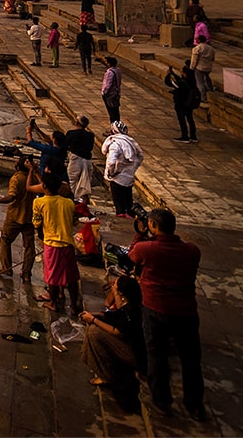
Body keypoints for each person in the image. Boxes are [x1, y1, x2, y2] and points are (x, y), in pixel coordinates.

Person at [128, 208, 205, 420]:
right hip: (186, 310)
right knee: (190, 359)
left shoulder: (147, 249)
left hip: (155, 309)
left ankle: (162, 401)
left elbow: (132, 255)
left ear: (153, 226)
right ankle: (195, 405)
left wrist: (139, 232)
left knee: (157, 354)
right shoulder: (192, 251)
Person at [79, 274, 146, 411]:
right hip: (132, 348)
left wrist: (93, 320)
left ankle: (105, 376)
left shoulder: (132, 310)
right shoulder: (130, 304)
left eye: (115, 285)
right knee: (94, 329)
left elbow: (118, 332)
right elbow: (118, 311)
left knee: (94, 332)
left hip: (134, 354)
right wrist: (100, 315)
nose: (113, 286)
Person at [32, 174, 83, 315]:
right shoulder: (69, 203)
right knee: (72, 277)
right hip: (67, 244)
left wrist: (41, 233)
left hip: (51, 244)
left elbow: (36, 223)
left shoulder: (39, 203)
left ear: (44, 186)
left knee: (52, 277)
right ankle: (73, 305)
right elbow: (74, 222)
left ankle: (53, 302)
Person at [0, 155, 36, 280]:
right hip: (29, 216)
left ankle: (6, 268)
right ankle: (26, 273)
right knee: (29, 246)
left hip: (15, 215)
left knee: (5, 240)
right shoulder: (33, 178)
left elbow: (12, 196)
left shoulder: (16, 179)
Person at [102, 121, 143, 218]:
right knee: (127, 198)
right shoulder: (131, 142)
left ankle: (121, 215)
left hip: (117, 176)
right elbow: (140, 157)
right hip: (128, 176)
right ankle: (129, 213)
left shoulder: (115, 145)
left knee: (118, 201)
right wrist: (132, 168)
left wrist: (111, 172)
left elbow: (111, 162)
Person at [64, 116, 97, 205]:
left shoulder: (71, 133)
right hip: (87, 160)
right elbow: (90, 147)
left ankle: (73, 200)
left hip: (75, 159)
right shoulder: (90, 135)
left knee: (72, 181)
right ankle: (81, 201)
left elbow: (65, 145)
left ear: (77, 123)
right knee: (85, 182)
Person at [164, 66, 200, 142]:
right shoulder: (192, 81)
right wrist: (173, 73)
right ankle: (193, 136)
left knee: (182, 120)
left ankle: (185, 136)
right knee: (190, 119)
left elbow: (169, 83)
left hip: (181, 103)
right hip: (189, 103)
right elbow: (179, 79)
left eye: (182, 72)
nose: (181, 73)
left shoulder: (181, 83)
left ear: (185, 74)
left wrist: (168, 75)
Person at [188, 34, 216, 102]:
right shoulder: (211, 49)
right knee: (207, 79)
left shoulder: (197, 48)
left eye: (197, 39)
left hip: (200, 67)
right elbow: (213, 58)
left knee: (200, 83)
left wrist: (191, 68)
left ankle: (203, 97)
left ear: (199, 40)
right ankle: (211, 90)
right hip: (208, 67)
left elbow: (194, 60)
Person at [100, 56, 122, 123]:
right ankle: (117, 125)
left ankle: (113, 127)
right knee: (116, 112)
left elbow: (108, 84)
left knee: (112, 113)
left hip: (110, 94)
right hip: (116, 93)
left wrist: (104, 92)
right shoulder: (118, 70)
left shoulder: (110, 72)